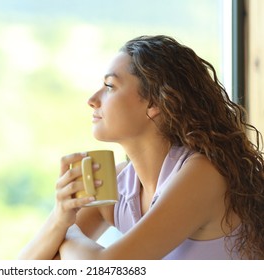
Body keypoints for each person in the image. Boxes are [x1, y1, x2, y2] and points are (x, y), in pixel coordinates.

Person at [18, 35, 264, 260]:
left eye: (110, 86)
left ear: (154, 103)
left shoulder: (202, 174)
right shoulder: (117, 184)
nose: (92, 100)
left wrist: (68, 235)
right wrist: (60, 218)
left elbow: (107, 269)